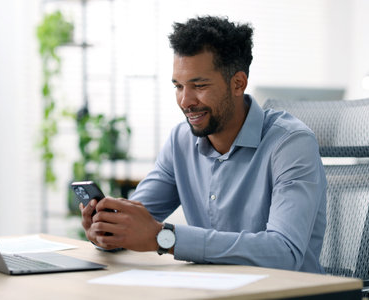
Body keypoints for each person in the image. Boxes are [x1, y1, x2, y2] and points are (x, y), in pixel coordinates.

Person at [80, 16, 327, 273]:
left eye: (199, 85)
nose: (185, 101)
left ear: (238, 83)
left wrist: (164, 238)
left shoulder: (290, 144)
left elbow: (283, 252)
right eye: (178, 86)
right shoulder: (181, 142)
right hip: (213, 290)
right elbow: (137, 224)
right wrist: (108, 231)